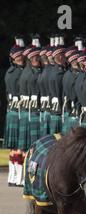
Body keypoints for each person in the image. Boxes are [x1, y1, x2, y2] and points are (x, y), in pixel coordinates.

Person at [4, 38, 25, 187]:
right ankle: (19, 178)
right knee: (20, 146)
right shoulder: (19, 74)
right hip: (19, 110)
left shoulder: (9, 72)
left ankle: (13, 176)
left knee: (14, 147)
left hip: (12, 109)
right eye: (20, 56)